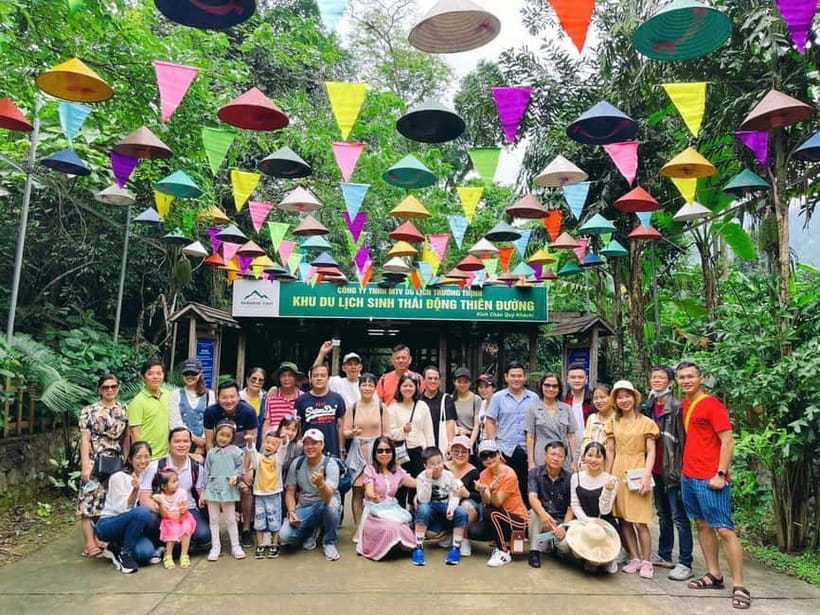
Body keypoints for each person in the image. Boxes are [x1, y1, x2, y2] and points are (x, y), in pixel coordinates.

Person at [676, 361, 750, 610]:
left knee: (725, 529)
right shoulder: (686, 404)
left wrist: (720, 473)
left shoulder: (712, 405)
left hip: (710, 477)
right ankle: (714, 574)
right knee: (701, 524)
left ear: (701, 378)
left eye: (691, 377)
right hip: (689, 475)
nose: (686, 381)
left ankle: (739, 584)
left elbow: (727, 441)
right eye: (682, 377)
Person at [639, 365, 693, 581]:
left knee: (679, 517)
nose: (657, 381)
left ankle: (685, 562)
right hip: (655, 470)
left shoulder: (678, 408)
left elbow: (685, 442)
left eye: (662, 378)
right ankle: (664, 554)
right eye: (654, 377)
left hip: (673, 470)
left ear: (671, 383)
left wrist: (682, 470)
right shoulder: (649, 405)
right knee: (663, 515)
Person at [605, 380, 659, 579]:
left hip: (638, 468)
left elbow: (651, 451)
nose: (624, 400)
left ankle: (647, 561)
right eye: (619, 397)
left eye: (627, 396)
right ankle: (634, 557)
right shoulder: (612, 422)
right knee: (623, 518)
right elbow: (610, 450)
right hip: (618, 467)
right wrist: (608, 475)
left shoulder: (647, 423)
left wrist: (646, 474)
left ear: (634, 398)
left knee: (640, 520)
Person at [77, 374, 128, 559]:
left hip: (114, 460)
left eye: (113, 386)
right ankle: (89, 543)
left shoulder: (123, 409)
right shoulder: (89, 411)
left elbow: (126, 437)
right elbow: (84, 438)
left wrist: (126, 458)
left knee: (108, 500)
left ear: (118, 388)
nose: (110, 390)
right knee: (89, 501)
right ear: (100, 389)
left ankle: (101, 538)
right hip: (94, 459)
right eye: (106, 387)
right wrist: (85, 465)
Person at [139, 427, 211, 555]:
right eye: (177, 441)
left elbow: (201, 490)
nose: (182, 445)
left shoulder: (196, 467)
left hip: (187, 509)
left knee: (203, 535)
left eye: (185, 441)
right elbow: (144, 498)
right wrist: (166, 511)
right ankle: (163, 544)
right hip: (162, 509)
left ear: (190, 443)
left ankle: (178, 544)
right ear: (169, 443)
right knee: (148, 518)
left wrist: (204, 496)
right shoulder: (155, 466)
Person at [204, 380, 258, 547]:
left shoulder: (248, 411)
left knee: (246, 488)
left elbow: (251, 444)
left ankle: (247, 528)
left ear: (238, 396)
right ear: (218, 398)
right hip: (220, 456)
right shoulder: (211, 412)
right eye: (224, 397)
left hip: (241, 456)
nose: (228, 401)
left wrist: (247, 470)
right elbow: (209, 442)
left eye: (232, 397)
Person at [280, 429, 342, 561]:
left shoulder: (330, 464)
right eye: (306, 443)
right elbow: (290, 492)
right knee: (285, 536)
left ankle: (329, 541)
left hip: (325, 503)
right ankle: (312, 529)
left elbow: (327, 497)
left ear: (322, 445)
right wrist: (291, 511)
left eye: (314, 443)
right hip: (305, 507)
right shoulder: (297, 463)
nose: (309, 447)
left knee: (332, 505)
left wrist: (320, 484)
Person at [95, 441, 158, 573]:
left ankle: (114, 547)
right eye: (138, 457)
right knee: (142, 512)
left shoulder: (146, 476)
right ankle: (125, 554)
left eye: (147, 457)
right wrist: (135, 491)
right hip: (109, 524)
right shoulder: (119, 477)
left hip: (130, 527)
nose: (143, 461)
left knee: (145, 553)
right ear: (130, 459)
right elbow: (122, 509)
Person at [485, 361, 538, 504]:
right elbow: (490, 421)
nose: (516, 379)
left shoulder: (533, 398)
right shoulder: (498, 397)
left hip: (527, 450)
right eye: (513, 376)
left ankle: (524, 521)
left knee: (526, 487)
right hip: (505, 449)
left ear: (524, 377)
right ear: (506, 377)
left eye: (519, 376)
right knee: (505, 486)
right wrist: (494, 447)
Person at [356, 436, 417, 560]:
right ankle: (383, 548)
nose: (384, 454)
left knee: (404, 533)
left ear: (393, 453)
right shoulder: (370, 469)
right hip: (374, 512)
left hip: (393, 511)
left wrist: (430, 478)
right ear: (375, 453)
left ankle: (395, 547)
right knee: (391, 528)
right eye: (380, 451)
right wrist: (372, 496)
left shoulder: (397, 471)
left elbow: (416, 483)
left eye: (388, 450)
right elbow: (369, 491)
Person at [342, 373, 388, 530]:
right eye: (364, 384)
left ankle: (374, 527)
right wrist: (353, 432)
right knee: (357, 491)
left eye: (370, 385)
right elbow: (345, 432)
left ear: (375, 388)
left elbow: (386, 434)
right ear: (359, 386)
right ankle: (358, 527)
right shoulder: (353, 407)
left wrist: (384, 455)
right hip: (357, 452)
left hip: (376, 453)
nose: (367, 388)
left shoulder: (382, 407)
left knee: (376, 491)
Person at [567, 442, 620, 573]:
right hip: (583, 522)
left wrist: (607, 491)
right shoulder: (576, 477)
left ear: (604, 460)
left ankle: (608, 559)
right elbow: (575, 504)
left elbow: (605, 510)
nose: (593, 460)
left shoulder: (611, 479)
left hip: (603, 524)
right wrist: (586, 521)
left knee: (597, 562)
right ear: (584, 457)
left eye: (598, 456)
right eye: (590, 455)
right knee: (573, 551)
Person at [411, 446, 468, 567]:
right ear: (425, 466)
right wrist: (428, 480)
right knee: (423, 508)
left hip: (445, 506)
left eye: (439, 462)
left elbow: (455, 494)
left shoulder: (448, 475)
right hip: (430, 507)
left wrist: (451, 508)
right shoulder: (421, 477)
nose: (437, 466)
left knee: (461, 511)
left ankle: (455, 548)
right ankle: (418, 547)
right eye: (432, 464)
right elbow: (424, 500)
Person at [476, 440, 528, 567]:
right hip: (500, 516)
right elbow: (486, 501)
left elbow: (497, 502)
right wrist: (483, 491)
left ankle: (503, 552)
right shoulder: (484, 474)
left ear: (499, 454)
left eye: (492, 454)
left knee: (490, 512)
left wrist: (492, 491)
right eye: (484, 456)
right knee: (474, 530)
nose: (489, 459)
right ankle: (502, 543)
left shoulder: (509, 474)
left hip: (517, 518)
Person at [199, 420, 246, 561]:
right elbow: (206, 472)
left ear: (232, 437)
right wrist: (203, 491)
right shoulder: (211, 453)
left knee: (230, 519)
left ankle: (236, 546)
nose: (223, 438)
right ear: (216, 434)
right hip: (213, 489)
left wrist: (236, 476)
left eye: (227, 436)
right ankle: (215, 546)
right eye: (221, 435)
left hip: (228, 488)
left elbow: (241, 468)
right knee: (214, 519)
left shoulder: (236, 452)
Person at [387, 373, 434, 509]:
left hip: (419, 451)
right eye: (405, 385)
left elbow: (428, 430)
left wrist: (430, 452)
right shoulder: (393, 408)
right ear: (399, 388)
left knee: (419, 484)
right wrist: (403, 430)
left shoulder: (422, 406)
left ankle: (416, 516)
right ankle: (399, 514)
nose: (408, 388)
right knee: (400, 485)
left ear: (416, 388)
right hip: (400, 452)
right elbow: (390, 434)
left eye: (411, 386)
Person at [526, 440, 574, 568]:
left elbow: (571, 507)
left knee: (565, 546)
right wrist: (543, 514)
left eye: (560, 456)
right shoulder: (534, 473)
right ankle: (534, 551)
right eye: (552, 454)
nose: (556, 458)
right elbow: (532, 497)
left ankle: (554, 546)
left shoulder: (570, 478)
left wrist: (563, 526)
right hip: (541, 521)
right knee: (534, 513)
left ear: (564, 460)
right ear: (545, 455)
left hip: (558, 523)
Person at [244, 429, 288, 559]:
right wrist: (251, 443)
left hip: (274, 494)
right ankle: (260, 544)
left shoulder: (278, 459)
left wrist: (285, 441)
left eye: (273, 444)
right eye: (267, 442)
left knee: (274, 520)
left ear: (277, 447)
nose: (269, 446)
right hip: (260, 495)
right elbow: (252, 453)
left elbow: (284, 449)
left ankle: (275, 544)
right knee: (259, 521)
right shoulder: (259, 458)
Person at [525, 373, 578, 473]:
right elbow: (530, 436)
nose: (551, 389)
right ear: (541, 386)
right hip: (541, 454)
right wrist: (531, 462)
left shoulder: (566, 408)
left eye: (555, 386)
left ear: (559, 389)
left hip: (562, 455)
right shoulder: (533, 408)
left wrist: (574, 460)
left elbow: (571, 436)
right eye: (547, 385)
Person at [294, 364, 346, 458]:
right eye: (315, 375)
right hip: (309, 450)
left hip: (332, 450)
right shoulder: (301, 400)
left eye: (323, 375)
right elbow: (298, 427)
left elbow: (341, 426)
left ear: (328, 378)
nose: (319, 378)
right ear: (310, 379)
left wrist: (341, 449)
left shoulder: (337, 398)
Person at [444, 434, 481, 557]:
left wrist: (467, 494)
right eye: (456, 451)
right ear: (451, 451)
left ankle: (463, 539)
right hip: (445, 503)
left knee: (466, 507)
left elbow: (480, 496)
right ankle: (448, 534)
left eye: (464, 452)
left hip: (466, 504)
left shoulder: (474, 471)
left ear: (469, 453)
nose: (460, 455)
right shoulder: (443, 467)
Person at [151, 467, 196, 569]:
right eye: (173, 481)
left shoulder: (182, 492)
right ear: (163, 486)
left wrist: (183, 510)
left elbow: (184, 506)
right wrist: (160, 503)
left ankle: (184, 554)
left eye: (177, 480)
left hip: (183, 517)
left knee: (186, 528)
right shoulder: (161, 497)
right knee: (172, 530)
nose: (177, 483)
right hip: (169, 519)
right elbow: (164, 514)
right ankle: (168, 555)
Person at [169, 358, 214, 456]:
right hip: (182, 445)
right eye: (186, 373)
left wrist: (203, 443)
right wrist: (194, 439)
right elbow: (175, 422)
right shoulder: (175, 394)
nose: (190, 376)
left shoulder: (209, 395)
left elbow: (212, 420)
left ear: (200, 374)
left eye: (193, 373)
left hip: (205, 445)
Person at [128, 358, 171, 460]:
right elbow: (135, 434)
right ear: (143, 377)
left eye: (159, 373)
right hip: (148, 459)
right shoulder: (137, 402)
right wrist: (140, 459)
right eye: (150, 374)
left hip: (167, 456)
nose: (155, 377)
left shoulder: (169, 395)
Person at [314, 341, 363, 409]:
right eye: (349, 364)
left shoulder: (366, 385)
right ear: (343, 368)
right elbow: (314, 375)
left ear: (360, 367)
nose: (353, 367)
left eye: (356, 364)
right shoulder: (336, 382)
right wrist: (322, 353)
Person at [420, 365, 457, 452]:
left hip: (441, 445)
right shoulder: (417, 399)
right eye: (430, 378)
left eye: (436, 378)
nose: (433, 381)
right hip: (421, 445)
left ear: (440, 381)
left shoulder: (446, 399)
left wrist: (450, 444)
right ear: (423, 380)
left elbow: (450, 422)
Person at [262, 362, 304, 436]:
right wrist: (265, 440)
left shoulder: (302, 397)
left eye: (290, 375)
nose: (286, 379)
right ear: (279, 378)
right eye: (283, 376)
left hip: (295, 439)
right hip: (275, 439)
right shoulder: (272, 396)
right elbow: (267, 421)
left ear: (296, 378)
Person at [563, 362, 594, 459]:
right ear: (567, 379)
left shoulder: (594, 399)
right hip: (567, 451)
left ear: (586, 379)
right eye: (573, 377)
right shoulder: (562, 400)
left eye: (580, 377)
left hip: (591, 450)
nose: (577, 380)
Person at [452, 367, 481, 451]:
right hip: (455, 439)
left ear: (470, 383)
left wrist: (470, 445)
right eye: (459, 382)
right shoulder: (450, 399)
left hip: (470, 439)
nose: (462, 384)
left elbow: (476, 425)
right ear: (454, 382)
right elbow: (449, 423)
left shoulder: (476, 399)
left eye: (465, 382)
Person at [240, 367, 268, 436]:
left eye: (260, 380)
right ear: (247, 379)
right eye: (254, 379)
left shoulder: (266, 398)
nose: (257, 382)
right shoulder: (238, 398)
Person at [475, 373, 496, 444]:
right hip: (482, 443)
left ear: (494, 388)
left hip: (495, 443)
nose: (483, 390)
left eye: (487, 387)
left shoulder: (499, 403)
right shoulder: (482, 403)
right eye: (480, 387)